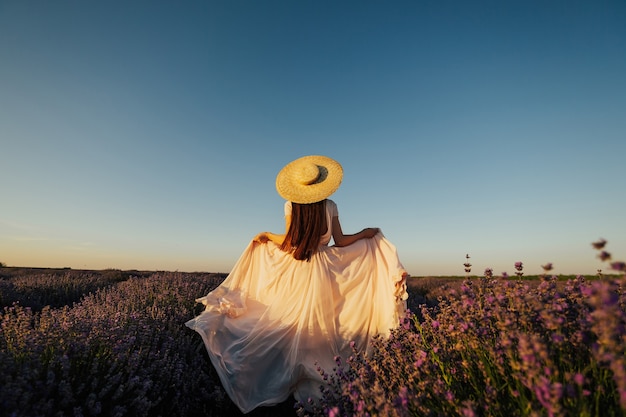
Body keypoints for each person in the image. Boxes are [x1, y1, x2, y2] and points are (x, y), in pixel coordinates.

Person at [185, 155, 408, 413]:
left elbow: (290, 240)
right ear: (321, 184)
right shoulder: (331, 205)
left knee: (285, 321)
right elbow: (341, 241)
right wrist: (366, 234)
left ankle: (282, 374)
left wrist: (266, 235)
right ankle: (316, 374)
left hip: (297, 267)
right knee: (324, 321)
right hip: (325, 269)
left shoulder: (291, 205)